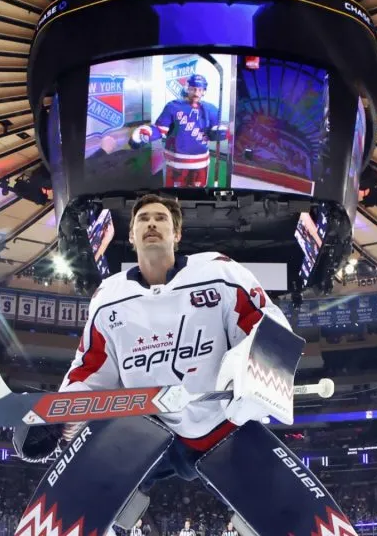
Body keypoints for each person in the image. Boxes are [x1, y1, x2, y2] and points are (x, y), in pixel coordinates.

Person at [31, 193, 354, 535]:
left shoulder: (220, 273)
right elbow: (90, 370)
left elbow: (271, 330)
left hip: (220, 428)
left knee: (274, 516)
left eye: (161, 219)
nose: (151, 224)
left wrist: (254, 380)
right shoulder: (108, 297)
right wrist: (61, 414)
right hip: (141, 429)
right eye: (143, 219)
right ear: (131, 235)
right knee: (94, 510)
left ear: (177, 234)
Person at [129, 75, 227, 188]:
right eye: (193, 88)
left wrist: (220, 133)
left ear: (204, 91)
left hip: (201, 163)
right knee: (174, 196)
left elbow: (217, 131)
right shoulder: (173, 107)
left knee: (198, 194)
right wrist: (147, 133)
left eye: (200, 89)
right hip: (176, 163)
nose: (196, 92)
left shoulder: (211, 109)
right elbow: (160, 129)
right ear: (187, 88)